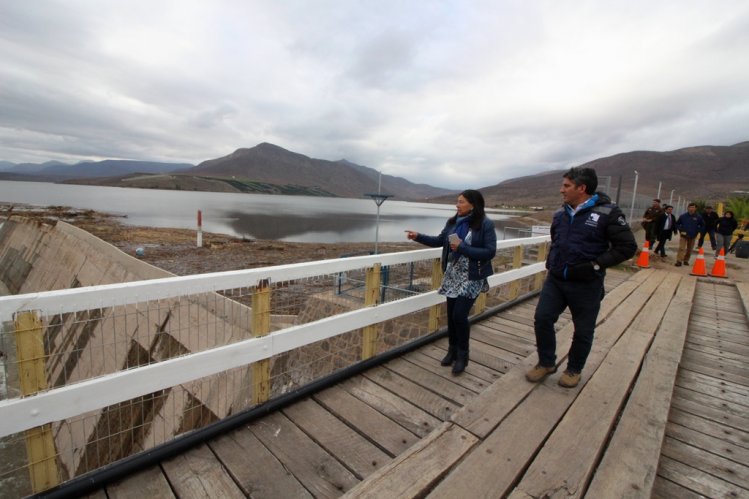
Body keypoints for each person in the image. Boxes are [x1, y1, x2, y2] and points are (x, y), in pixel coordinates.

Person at [526, 167, 636, 388]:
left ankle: (574, 369)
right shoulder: (560, 214)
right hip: (556, 280)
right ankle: (546, 362)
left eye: (566, 186)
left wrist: (595, 265)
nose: (561, 190)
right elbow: (557, 241)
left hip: (586, 283)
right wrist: (552, 265)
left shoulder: (608, 213)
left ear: (582, 188)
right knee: (543, 318)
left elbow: (627, 247)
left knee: (583, 329)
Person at [405, 189, 496, 375]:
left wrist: (462, 247)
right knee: (452, 315)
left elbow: (490, 252)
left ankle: (463, 356)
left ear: (473, 204)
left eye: (461, 202)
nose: (457, 205)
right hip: (453, 275)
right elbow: (440, 240)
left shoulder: (485, 224)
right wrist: (418, 236)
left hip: (472, 277)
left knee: (459, 316)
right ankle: (452, 351)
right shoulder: (453, 222)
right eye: (457, 201)